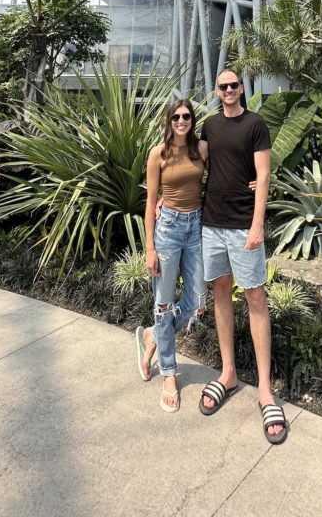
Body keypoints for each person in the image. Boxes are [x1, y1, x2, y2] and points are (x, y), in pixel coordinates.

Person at [197, 69, 288, 445]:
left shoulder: (256, 124)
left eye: (234, 85)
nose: (229, 90)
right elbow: (200, 165)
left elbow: (263, 175)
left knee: (255, 296)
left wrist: (257, 224)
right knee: (220, 292)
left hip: (242, 225)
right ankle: (229, 372)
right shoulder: (208, 126)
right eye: (223, 86)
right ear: (216, 91)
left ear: (241, 90)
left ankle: (265, 389)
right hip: (212, 223)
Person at [135, 100, 208, 412]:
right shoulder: (158, 154)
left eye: (186, 116)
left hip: (196, 225)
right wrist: (150, 247)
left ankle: (153, 334)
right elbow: (151, 201)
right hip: (168, 229)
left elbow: (229, 169)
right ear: (169, 121)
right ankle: (168, 373)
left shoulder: (201, 149)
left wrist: (256, 181)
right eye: (176, 116)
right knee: (164, 304)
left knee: (197, 302)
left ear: (192, 119)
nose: (181, 121)